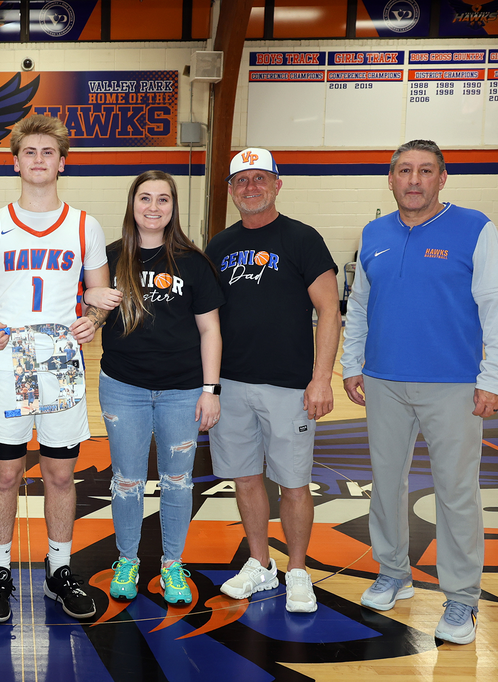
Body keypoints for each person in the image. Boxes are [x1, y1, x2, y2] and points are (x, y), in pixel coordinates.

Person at [341, 139, 498, 644]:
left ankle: (461, 597)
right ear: (390, 179)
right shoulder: (373, 232)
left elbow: (497, 308)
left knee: (457, 494)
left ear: (443, 178)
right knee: (386, 483)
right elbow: (359, 307)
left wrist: (494, 379)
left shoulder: (475, 228)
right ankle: (393, 572)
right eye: (403, 171)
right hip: (383, 382)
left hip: (455, 386)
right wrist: (352, 364)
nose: (413, 180)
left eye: (424, 171)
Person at [0, 114, 109, 623]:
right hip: (8, 361)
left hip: (61, 362)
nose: (39, 160)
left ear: (62, 162)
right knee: (4, 474)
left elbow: (97, 293)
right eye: (30, 152)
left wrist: (93, 318)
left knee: (60, 473)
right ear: (16, 161)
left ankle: (59, 570)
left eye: (49, 152)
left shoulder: (84, 224)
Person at [204, 148, 340, 614]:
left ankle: (298, 570)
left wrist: (321, 379)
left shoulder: (303, 239)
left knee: (294, 484)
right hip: (232, 384)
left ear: (277, 184)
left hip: (290, 387)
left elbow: (329, 310)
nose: (251, 187)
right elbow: (206, 320)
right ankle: (260, 565)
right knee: (245, 480)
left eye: (260, 179)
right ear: (231, 190)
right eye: (241, 181)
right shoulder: (218, 246)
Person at [86, 170, 223, 604]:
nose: (153, 207)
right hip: (123, 387)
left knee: (179, 480)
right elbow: (91, 319)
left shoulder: (192, 261)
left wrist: (210, 390)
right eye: (145, 198)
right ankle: (127, 559)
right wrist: (90, 312)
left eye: (163, 200)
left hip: (182, 391)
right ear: (132, 205)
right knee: (126, 480)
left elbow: (210, 331)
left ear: (172, 208)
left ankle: (171, 565)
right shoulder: (107, 259)